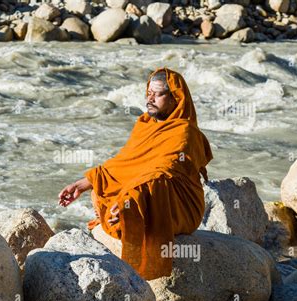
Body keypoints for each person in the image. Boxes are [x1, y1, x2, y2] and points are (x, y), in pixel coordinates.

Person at [58, 67, 213, 280]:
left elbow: (165, 170)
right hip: (145, 190)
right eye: (148, 93)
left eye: (157, 94)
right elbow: (124, 164)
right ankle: (125, 212)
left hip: (178, 205)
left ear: (175, 98)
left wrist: (129, 200)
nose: (149, 99)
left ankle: (128, 214)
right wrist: (84, 183)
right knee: (102, 192)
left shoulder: (186, 132)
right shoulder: (144, 125)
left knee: (153, 185)